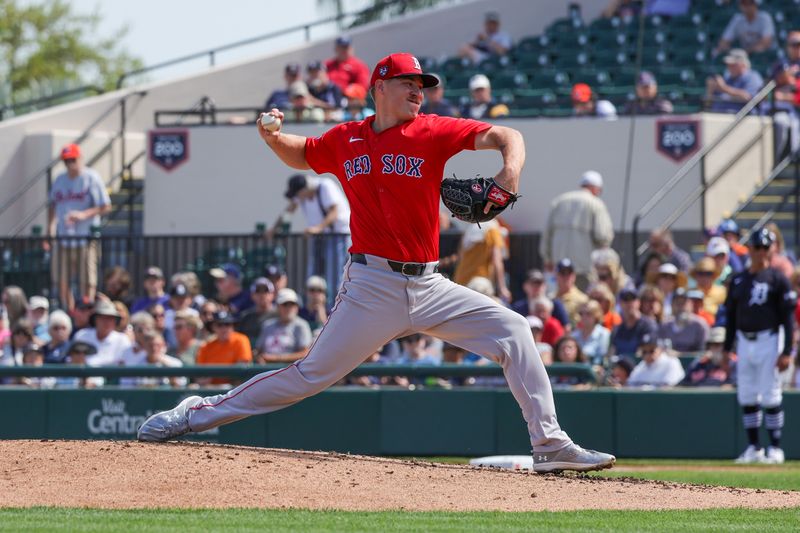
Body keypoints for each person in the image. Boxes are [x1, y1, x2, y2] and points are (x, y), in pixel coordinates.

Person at [138, 52, 615, 473]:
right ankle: (195, 414)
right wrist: (272, 139)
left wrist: (509, 172)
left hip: (430, 285)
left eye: (422, 85)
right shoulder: (347, 139)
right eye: (409, 83)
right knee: (308, 377)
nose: (418, 92)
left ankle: (550, 445)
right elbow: (303, 154)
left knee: (513, 329)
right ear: (379, 87)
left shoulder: (432, 131)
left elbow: (507, 134)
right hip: (371, 285)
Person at [724, 228, 794, 465]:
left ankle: (775, 447)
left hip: (770, 339)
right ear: (750, 249)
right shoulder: (738, 279)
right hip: (745, 340)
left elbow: (788, 318)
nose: (763, 252)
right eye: (759, 247)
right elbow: (732, 317)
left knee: (771, 394)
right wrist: (727, 348)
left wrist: (787, 351)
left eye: (767, 247)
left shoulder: (778, 279)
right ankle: (754, 447)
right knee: (747, 394)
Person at [46, 143, 111, 310]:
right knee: (61, 279)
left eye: (73, 160)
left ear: (80, 158)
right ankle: (71, 311)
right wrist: (50, 229)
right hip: (64, 238)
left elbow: (105, 206)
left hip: (86, 238)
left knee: (87, 280)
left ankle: (86, 311)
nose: (70, 164)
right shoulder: (60, 179)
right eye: (66, 161)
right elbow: (52, 206)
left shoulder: (91, 177)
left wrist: (83, 215)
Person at [270, 174, 351, 300]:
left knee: (333, 273)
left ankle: (334, 304)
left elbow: (334, 211)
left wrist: (318, 228)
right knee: (313, 273)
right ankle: (312, 305)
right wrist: (274, 228)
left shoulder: (325, 186)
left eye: (299, 194)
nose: (298, 198)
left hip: (337, 236)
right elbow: (289, 210)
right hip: (319, 236)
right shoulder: (302, 196)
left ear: (305, 188)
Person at [540, 171, 614, 290]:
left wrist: (547, 258)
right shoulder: (596, 203)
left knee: (561, 300)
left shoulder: (559, 201)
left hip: (559, 267)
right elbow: (603, 236)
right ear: (596, 188)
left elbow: (547, 233)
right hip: (584, 268)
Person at [452, 219, 511, 303]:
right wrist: (503, 288)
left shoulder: (470, 229)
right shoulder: (493, 229)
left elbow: (461, 256)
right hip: (479, 283)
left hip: (460, 281)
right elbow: (497, 261)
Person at [254, 288, 312, 364]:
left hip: (290, 371)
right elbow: (258, 350)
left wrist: (276, 358)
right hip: (266, 370)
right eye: (285, 305)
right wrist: (258, 357)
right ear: (278, 307)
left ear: (297, 307)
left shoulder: (301, 325)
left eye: (292, 304)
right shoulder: (267, 325)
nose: (288, 308)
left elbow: (305, 353)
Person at [195, 310, 252, 386]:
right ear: (213, 327)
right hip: (210, 388)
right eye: (219, 325)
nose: (224, 328)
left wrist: (213, 374)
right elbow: (200, 374)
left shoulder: (241, 340)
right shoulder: (206, 346)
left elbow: (242, 368)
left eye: (227, 324)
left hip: (234, 387)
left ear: (232, 326)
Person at [768, 31, 800, 158]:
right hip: (784, 109)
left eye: (799, 44)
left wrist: (785, 96)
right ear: (787, 46)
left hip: (795, 108)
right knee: (780, 122)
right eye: (793, 44)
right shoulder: (781, 65)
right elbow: (768, 88)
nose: (796, 48)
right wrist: (782, 78)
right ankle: (776, 163)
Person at [72, 300, 132, 366]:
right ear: (95, 319)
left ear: (115, 321)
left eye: (110, 318)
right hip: (84, 375)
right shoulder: (81, 335)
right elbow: (72, 361)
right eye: (102, 317)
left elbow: (127, 363)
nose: (106, 321)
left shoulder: (122, 340)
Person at [706, 49, 764, 114]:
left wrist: (724, 88)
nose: (729, 67)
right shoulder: (727, 78)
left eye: (733, 65)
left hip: (741, 120)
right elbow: (708, 105)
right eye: (728, 65)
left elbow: (748, 97)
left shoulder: (752, 77)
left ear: (742, 64)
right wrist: (710, 91)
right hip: (717, 117)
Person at [609, 288, 659, 357]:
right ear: (620, 304)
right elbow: (611, 352)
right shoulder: (617, 329)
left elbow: (647, 351)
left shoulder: (648, 325)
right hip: (620, 366)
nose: (629, 303)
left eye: (632, 299)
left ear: (638, 302)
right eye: (626, 300)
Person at [657, 288, 709, 353]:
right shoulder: (665, 325)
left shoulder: (699, 325)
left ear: (691, 304)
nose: (680, 307)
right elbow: (659, 349)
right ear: (672, 305)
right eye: (677, 303)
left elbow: (703, 352)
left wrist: (680, 355)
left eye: (683, 303)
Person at [236, 277, 278, 350]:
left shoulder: (280, 315)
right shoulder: (245, 316)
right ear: (252, 295)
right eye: (258, 291)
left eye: (266, 291)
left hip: (273, 356)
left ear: (273, 295)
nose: (262, 295)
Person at [572, 300, 610, 366]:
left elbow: (601, 357)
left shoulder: (604, 334)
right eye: (581, 313)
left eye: (588, 313)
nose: (583, 317)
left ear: (596, 315)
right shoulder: (574, 335)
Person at [553, 258, 588, 327]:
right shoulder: (551, 297)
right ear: (556, 275)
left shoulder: (583, 299)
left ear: (574, 276)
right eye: (563, 273)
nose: (566, 277)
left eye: (569, 273)